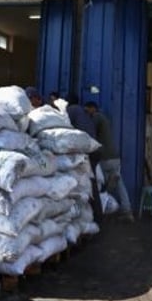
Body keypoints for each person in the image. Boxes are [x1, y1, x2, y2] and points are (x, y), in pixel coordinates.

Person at [86, 101, 134, 222]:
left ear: (93, 109)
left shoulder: (96, 117)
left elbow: (89, 132)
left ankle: (100, 211)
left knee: (99, 184)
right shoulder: (105, 120)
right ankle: (127, 210)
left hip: (104, 158)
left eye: (87, 110)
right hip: (115, 157)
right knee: (119, 184)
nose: (87, 113)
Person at [65, 93, 103, 225]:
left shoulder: (72, 110)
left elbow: (64, 126)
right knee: (89, 183)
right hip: (93, 150)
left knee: (88, 184)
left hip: (88, 152)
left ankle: (95, 217)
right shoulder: (82, 112)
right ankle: (96, 216)